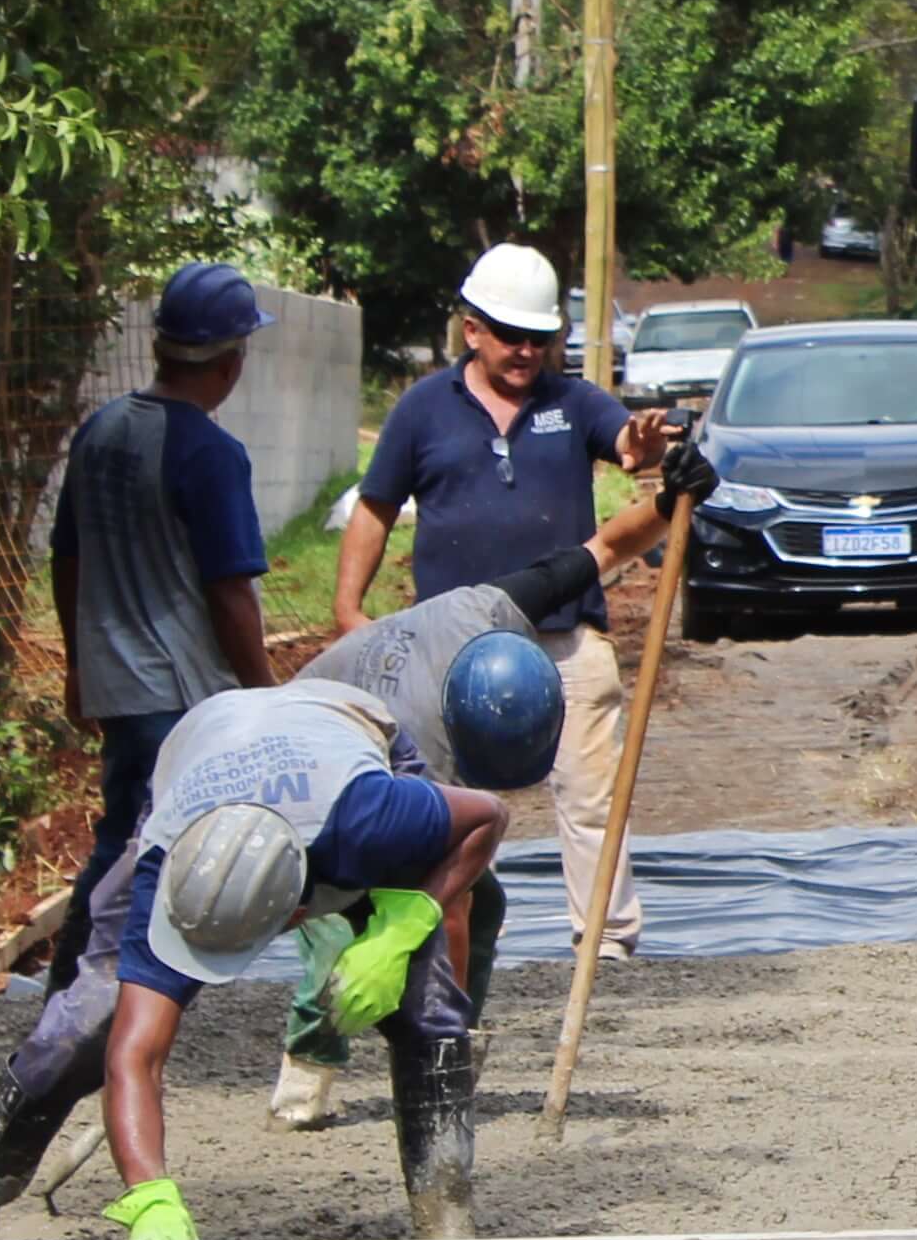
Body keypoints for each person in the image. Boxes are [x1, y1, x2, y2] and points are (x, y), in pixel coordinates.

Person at [0, 476, 695, 1240]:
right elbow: (136, 1056)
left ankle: (444, 1213)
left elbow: (485, 820)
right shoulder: (169, 870)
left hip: (331, 761)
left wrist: (403, 927)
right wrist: (150, 1194)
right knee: (92, 1017)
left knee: (426, 998)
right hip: (214, 758)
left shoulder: (402, 765)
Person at [264, 463, 700, 1132]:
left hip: (349, 722)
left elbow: (603, 548)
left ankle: (447, 1040)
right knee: (346, 918)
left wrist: (669, 501)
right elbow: (449, 910)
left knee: (483, 896)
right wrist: (444, 1032)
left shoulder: (491, 609)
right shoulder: (421, 757)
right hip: (301, 764)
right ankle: (314, 1076)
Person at [338, 244, 676, 964]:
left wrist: (644, 447)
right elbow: (373, 509)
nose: (526, 351)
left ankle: (605, 943)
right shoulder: (422, 409)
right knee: (447, 804)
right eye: (509, 334)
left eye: (539, 337)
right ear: (472, 330)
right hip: (452, 649)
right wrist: (348, 610)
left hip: (562, 636)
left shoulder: (571, 400)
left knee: (590, 793)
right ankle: (449, 941)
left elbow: (626, 443)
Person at [47, 262, 280, 959]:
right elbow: (229, 591)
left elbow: (67, 556)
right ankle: (91, 1007)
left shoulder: (101, 432)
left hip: (119, 687)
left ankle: (79, 1005)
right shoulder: (210, 453)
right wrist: (266, 692)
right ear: (232, 360)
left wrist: (78, 663)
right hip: (179, 694)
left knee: (120, 840)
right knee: (152, 857)